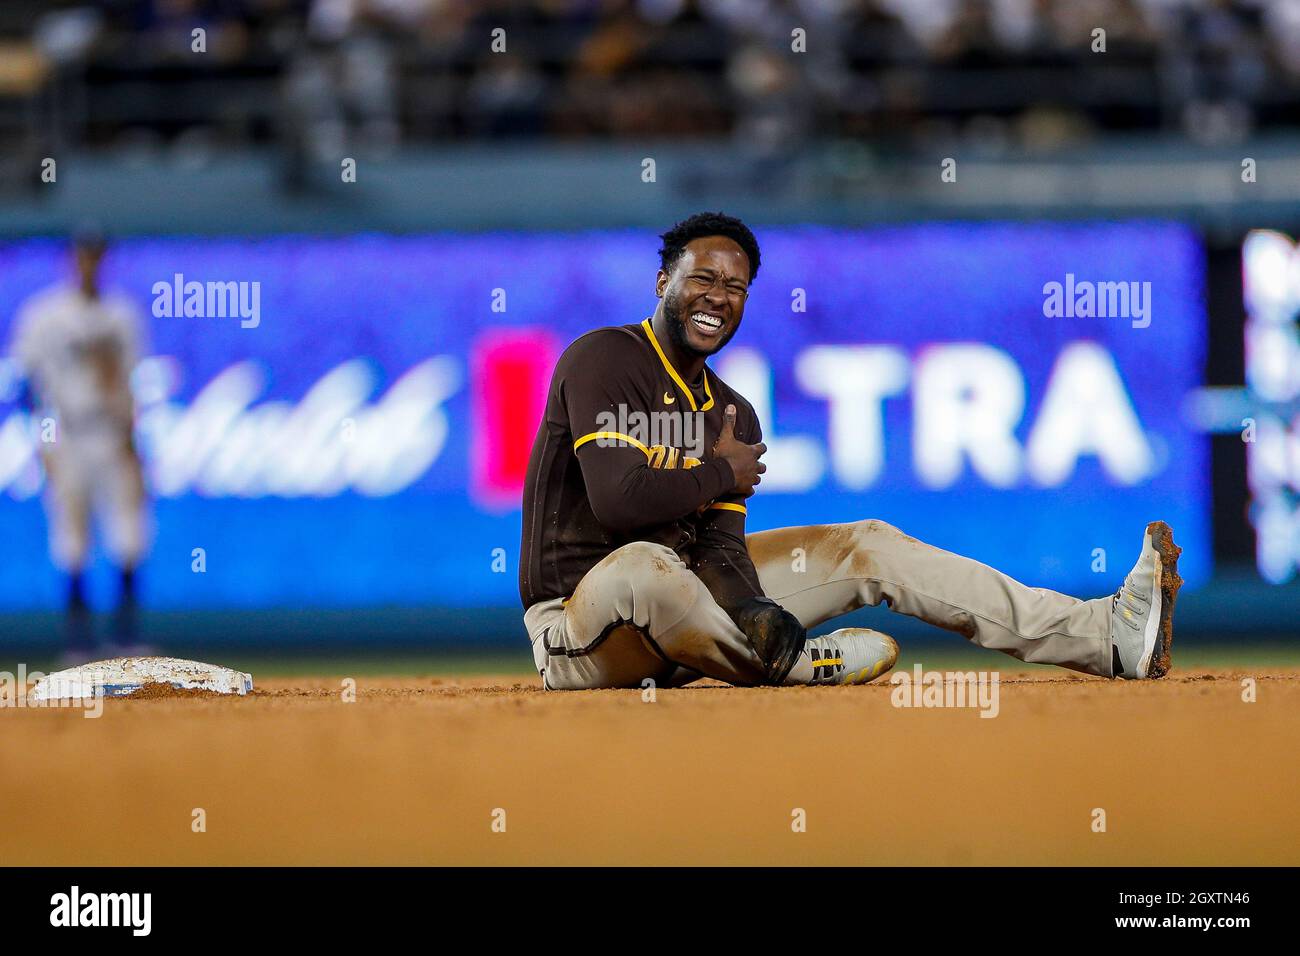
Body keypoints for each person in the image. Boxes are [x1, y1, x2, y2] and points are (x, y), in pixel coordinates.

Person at [518, 211, 1181, 690]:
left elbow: (718, 550)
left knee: (868, 544)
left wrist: (754, 611)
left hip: (691, 623)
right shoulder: (606, 357)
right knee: (646, 565)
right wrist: (720, 470)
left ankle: (1103, 636)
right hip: (581, 629)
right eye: (703, 278)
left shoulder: (731, 411)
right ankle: (797, 665)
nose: (719, 296)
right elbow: (616, 501)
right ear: (662, 282)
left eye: (736, 286)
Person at [10, 229, 151, 662]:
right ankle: (77, 640)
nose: (90, 261)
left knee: (129, 531)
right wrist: (45, 442)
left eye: (96, 253)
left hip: (110, 432)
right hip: (67, 432)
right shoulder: (44, 315)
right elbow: (28, 385)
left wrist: (132, 441)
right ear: (72, 258)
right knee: (71, 535)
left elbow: (131, 384)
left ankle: (125, 636)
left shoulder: (121, 314)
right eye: (83, 253)